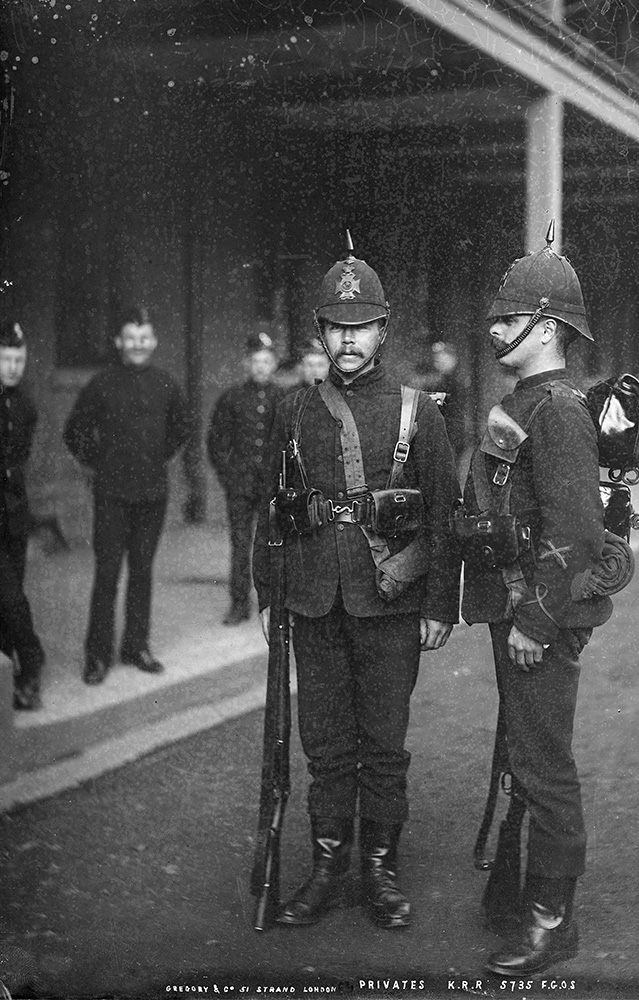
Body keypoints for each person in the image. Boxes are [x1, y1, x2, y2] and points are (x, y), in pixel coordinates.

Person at [252, 238, 461, 930]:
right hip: (312, 597)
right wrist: (266, 590)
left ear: (381, 330)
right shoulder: (293, 410)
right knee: (325, 741)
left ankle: (379, 870)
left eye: (360, 326)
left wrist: (440, 605)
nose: (347, 340)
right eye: (335, 327)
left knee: (384, 741)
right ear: (320, 332)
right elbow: (272, 507)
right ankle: (327, 869)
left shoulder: (417, 411)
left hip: (389, 601)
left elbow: (441, 514)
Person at [459, 232, 614, 976]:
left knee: (544, 764)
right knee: (524, 753)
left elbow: (577, 535)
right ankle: (523, 894)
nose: (493, 329)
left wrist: (534, 621)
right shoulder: (522, 401)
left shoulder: (558, 412)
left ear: (546, 329)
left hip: (540, 616)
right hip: (516, 608)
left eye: (508, 318)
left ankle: (553, 921)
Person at [64, 305, 189, 685]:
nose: (137, 345)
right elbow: (75, 431)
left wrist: (155, 459)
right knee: (106, 574)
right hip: (112, 494)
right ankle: (97, 655)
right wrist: (100, 463)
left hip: (152, 494)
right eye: (130, 338)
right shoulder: (100, 384)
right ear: (119, 342)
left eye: (144, 338)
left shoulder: (167, 384)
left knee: (142, 572)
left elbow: (180, 429)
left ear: (153, 341)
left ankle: (136, 646)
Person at [206, 332, 282, 625]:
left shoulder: (282, 398)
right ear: (246, 364)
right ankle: (239, 604)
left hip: (271, 487)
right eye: (255, 361)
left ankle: (272, 603)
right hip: (240, 486)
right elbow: (216, 443)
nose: (260, 367)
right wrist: (229, 477)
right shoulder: (232, 398)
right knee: (240, 545)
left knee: (272, 546)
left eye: (266, 361)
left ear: (274, 364)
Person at [0, 321, 46, 710]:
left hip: (14, 516)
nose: (12, 367)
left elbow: (20, 462)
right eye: (5, 359)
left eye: (19, 359)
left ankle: (12, 678)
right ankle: (31, 664)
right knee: (11, 598)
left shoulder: (26, 407)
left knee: (9, 598)